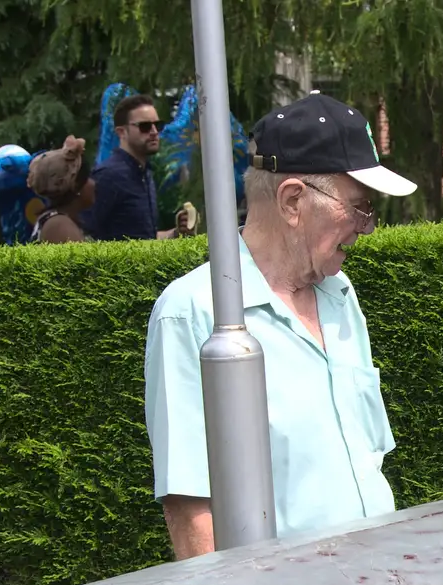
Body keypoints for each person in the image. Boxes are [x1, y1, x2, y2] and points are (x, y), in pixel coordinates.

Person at [144, 91, 418, 560]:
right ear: (293, 200)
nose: (368, 227)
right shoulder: (195, 313)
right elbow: (191, 508)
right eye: (360, 207)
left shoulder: (341, 296)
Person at [83, 94, 192, 242]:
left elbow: (144, 238)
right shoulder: (108, 176)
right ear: (122, 132)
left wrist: (176, 232)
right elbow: (83, 236)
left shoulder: (145, 173)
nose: (154, 132)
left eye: (158, 125)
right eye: (145, 126)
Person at [26, 136, 95, 243]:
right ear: (76, 186)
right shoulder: (59, 226)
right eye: (88, 178)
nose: (94, 183)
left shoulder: (60, 221)